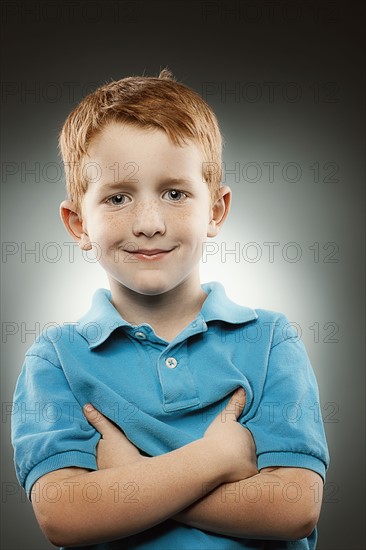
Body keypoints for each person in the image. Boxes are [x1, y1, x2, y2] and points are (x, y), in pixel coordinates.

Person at [11, 69, 329, 549]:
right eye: (118, 197)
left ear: (216, 211)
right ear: (78, 224)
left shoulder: (269, 340)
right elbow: (64, 515)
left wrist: (131, 480)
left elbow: (293, 507)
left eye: (175, 193)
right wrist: (214, 461)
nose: (149, 223)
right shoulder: (55, 358)